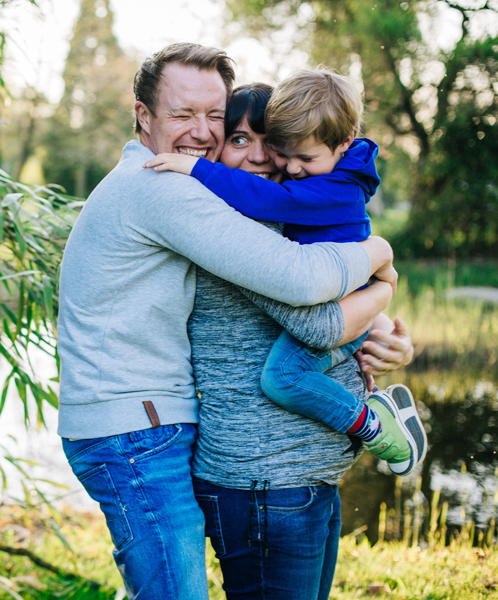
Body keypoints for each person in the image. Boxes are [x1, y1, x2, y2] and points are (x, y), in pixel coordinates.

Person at [56, 44, 400, 600]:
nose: (200, 131)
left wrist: (380, 328)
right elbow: (299, 286)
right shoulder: (164, 187)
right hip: (141, 430)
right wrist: (381, 263)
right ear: (143, 115)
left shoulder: (192, 191)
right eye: (182, 114)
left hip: (168, 428)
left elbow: (308, 301)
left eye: (213, 116)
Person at [144, 82, 409, 599]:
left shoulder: (287, 215)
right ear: (216, 147)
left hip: (307, 477)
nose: (268, 160)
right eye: (241, 140)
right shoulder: (233, 226)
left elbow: (335, 310)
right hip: (265, 483)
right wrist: (383, 276)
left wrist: (389, 335)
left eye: (275, 144)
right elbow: (317, 326)